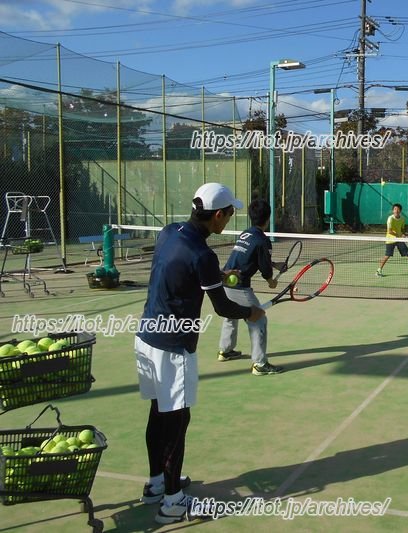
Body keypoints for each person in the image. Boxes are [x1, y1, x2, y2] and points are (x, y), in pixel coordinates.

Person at [134, 183, 265, 524]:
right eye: (230, 214)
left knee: (157, 413)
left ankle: (156, 484)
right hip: (174, 348)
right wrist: (250, 313)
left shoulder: (169, 232)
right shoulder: (203, 255)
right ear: (217, 215)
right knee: (178, 420)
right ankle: (173, 502)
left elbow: (181, 271)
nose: (230, 220)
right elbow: (222, 308)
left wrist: (217, 276)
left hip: (146, 338)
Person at [217, 199, 284, 375]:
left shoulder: (245, 234)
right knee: (259, 318)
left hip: (225, 281)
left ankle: (225, 351)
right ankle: (260, 364)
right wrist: (271, 281)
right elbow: (264, 269)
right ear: (268, 218)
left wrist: (275, 264)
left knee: (230, 314)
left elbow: (251, 256)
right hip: (239, 286)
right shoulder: (263, 240)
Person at [376, 203, 408, 277]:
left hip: (399, 239)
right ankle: (378, 270)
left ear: (400, 211)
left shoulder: (402, 219)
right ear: (393, 210)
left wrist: (406, 235)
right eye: (395, 209)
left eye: (398, 209)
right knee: (387, 256)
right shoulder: (390, 218)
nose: (396, 210)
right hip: (390, 239)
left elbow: (402, 230)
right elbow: (389, 231)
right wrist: (399, 235)